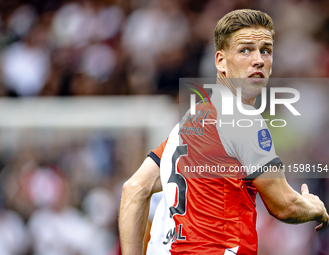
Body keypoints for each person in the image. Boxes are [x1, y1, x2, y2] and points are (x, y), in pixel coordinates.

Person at [119, 9, 329, 255]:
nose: (259, 59)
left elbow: (133, 189)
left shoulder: (187, 123)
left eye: (266, 50)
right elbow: (284, 205)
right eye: (245, 50)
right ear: (220, 61)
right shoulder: (242, 119)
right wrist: (315, 209)